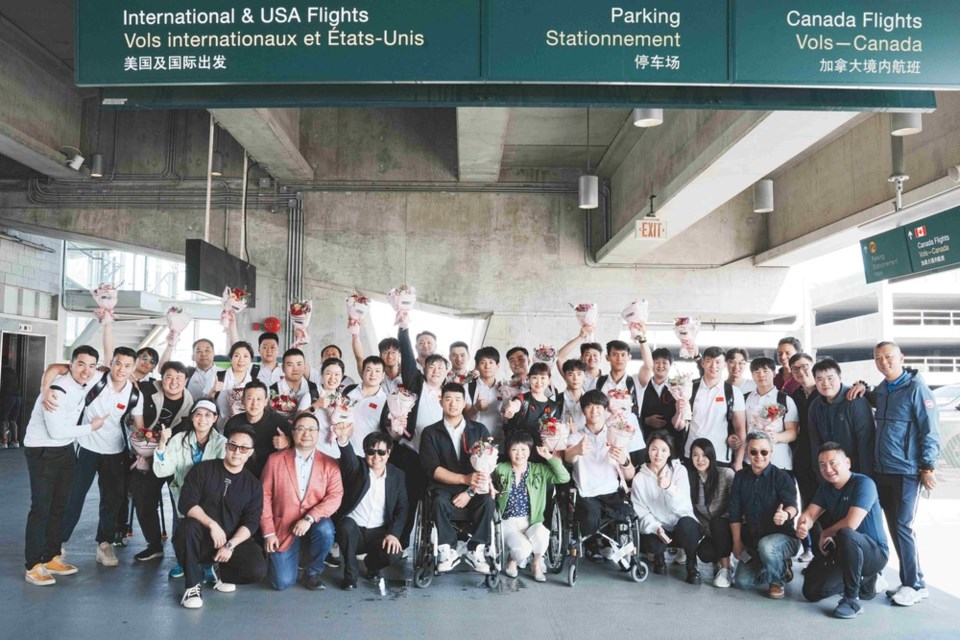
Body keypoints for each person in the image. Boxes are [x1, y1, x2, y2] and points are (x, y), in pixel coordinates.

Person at [55, 346, 145, 567]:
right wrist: (45, 386)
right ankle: (56, 544)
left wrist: (146, 448)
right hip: (86, 447)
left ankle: (104, 545)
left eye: (127, 365)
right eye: (117, 363)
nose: (121, 369)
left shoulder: (134, 394)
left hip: (115, 451)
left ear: (133, 368)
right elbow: (56, 368)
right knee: (74, 498)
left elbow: (139, 428)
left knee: (111, 501)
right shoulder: (95, 377)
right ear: (110, 363)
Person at [22, 345, 103, 586]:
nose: (86, 370)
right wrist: (92, 427)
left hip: (66, 449)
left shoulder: (86, 377)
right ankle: (34, 565)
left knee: (60, 506)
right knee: (42, 508)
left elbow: (54, 366)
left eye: (91, 366)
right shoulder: (57, 389)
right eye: (81, 364)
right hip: (43, 449)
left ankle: (50, 556)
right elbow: (56, 431)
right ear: (71, 364)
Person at [871, 341, 940, 607]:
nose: (884, 362)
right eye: (878, 358)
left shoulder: (917, 389)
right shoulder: (883, 389)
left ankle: (915, 584)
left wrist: (927, 466)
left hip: (907, 471)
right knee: (893, 527)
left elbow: (930, 430)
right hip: (883, 469)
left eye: (888, 357)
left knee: (903, 527)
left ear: (902, 358)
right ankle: (910, 579)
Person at [175, 424, 266, 608]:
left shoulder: (253, 485)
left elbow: (252, 521)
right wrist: (211, 525)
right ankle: (192, 586)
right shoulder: (203, 470)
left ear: (250, 452)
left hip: (231, 541)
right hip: (201, 536)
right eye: (232, 446)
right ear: (226, 447)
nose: (237, 452)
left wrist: (231, 545)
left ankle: (220, 572)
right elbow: (186, 503)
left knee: (257, 569)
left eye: (243, 448)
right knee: (187, 528)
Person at [797, 443, 889, 619]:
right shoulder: (826, 488)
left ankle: (852, 600)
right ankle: (865, 581)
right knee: (811, 592)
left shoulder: (864, 483)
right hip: (845, 552)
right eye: (822, 465)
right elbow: (810, 513)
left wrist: (825, 533)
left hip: (874, 553)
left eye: (833, 463)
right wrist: (803, 524)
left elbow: (851, 523)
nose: (828, 469)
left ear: (847, 462)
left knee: (846, 534)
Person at [419, 382, 496, 573]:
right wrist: (464, 480)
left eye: (457, 400)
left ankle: (476, 550)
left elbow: (486, 468)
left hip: (475, 488)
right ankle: (447, 550)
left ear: (464, 404)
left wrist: (470, 491)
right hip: (444, 488)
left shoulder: (479, 430)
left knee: (488, 502)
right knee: (438, 502)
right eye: (448, 399)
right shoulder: (430, 432)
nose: (452, 404)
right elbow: (433, 469)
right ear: (441, 402)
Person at [261, 412, 342, 591]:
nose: (307, 433)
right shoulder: (275, 460)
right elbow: (264, 496)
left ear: (318, 433)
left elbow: (335, 496)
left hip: (313, 524)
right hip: (283, 527)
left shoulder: (330, 464)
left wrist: (309, 518)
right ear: (293, 432)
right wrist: (268, 532)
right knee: (281, 583)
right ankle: (291, 555)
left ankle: (312, 572)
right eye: (301, 428)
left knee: (326, 530)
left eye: (312, 429)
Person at [154, 399, 227, 579]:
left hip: (210, 495)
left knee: (208, 528)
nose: (202, 419)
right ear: (192, 417)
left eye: (208, 415)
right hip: (183, 492)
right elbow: (163, 470)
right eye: (198, 414)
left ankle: (208, 565)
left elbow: (222, 472)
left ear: (215, 418)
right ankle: (182, 562)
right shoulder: (179, 439)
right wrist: (163, 443)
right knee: (180, 529)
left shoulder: (221, 442)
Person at [130, 361, 194, 563]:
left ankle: (182, 548)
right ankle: (154, 545)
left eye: (179, 378)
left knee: (182, 503)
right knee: (143, 499)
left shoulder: (190, 406)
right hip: (146, 452)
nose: (173, 382)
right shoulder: (149, 389)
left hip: (175, 458)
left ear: (185, 381)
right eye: (169, 376)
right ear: (161, 378)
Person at [563, 390, 636, 558]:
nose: (594, 411)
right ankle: (594, 545)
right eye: (589, 407)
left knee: (627, 516)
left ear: (605, 410)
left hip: (611, 492)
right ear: (583, 411)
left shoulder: (617, 435)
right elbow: (568, 457)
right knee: (589, 521)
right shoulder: (576, 437)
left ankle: (611, 546)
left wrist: (625, 461)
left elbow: (630, 475)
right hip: (587, 493)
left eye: (598, 407)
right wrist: (577, 450)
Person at [334, 426, 408, 589]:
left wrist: (393, 534)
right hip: (354, 530)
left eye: (381, 452)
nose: (376, 456)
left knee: (394, 552)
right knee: (345, 526)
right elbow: (348, 458)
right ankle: (350, 575)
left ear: (389, 453)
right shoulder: (357, 467)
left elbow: (402, 509)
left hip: (379, 532)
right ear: (365, 453)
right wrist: (343, 440)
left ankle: (372, 566)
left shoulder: (397, 475)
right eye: (371, 451)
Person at [729, 431, 801, 599]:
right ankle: (777, 567)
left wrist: (785, 515)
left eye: (764, 452)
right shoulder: (740, 477)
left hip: (784, 539)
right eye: (753, 451)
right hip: (755, 543)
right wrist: (737, 542)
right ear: (747, 452)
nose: (758, 456)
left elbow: (793, 506)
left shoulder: (782, 477)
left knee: (767, 546)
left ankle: (777, 581)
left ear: (771, 452)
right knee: (742, 582)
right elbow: (734, 513)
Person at [492, 431, 570, 582]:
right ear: (508, 451)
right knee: (523, 549)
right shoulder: (501, 468)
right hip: (508, 522)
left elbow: (564, 477)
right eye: (514, 449)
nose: (519, 454)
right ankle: (512, 560)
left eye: (523, 449)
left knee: (542, 535)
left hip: (531, 521)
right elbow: (486, 480)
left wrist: (549, 457)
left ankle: (536, 563)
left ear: (530, 451)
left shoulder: (539, 469)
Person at [631, 430, 702, 584]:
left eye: (664, 450)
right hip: (659, 529)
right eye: (654, 449)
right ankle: (659, 557)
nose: (658, 455)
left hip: (679, 525)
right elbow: (641, 512)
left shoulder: (679, 471)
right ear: (648, 450)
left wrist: (669, 487)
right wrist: (656, 527)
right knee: (652, 543)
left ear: (670, 452)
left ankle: (692, 563)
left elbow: (684, 507)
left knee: (687, 525)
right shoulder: (639, 478)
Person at [680, 347, 746, 470]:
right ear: (703, 363)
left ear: (725, 364)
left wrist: (738, 462)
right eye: (709, 361)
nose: (713, 365)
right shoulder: (689, 388)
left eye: (718, 362)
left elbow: (740, 430)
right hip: (692, 455)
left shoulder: (733, 392)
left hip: (719, 456)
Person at [808, 358, 875, 478]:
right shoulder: (815, 406)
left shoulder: (855, 401)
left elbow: (866, 444)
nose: (825, 383)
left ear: (840, 377)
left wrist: (865, 480)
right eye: (820, 379)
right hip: (829, 474)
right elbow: (815, 444)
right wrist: (821, 477)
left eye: (830, 378)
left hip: (856, 473)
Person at [688, 438, 736, 588]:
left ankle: (726, 569)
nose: (700, 459)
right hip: (708, 529)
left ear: (711, 455)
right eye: (695, 455)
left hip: (728, 527)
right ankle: (719, 561)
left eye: (704, 455)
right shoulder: (690, 478)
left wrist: (717, 524)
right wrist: (705, 527)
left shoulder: (726, 474)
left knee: (718, 524)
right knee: (705, 553)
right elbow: (692, 510)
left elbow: (735, 505)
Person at [788, 352, 821, 562]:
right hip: (803, 458)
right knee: (808, 504)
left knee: (828, 506)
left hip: (825, 459)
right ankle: (815, 553)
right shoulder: (795, 396)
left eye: (805, 366)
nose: (801, 372)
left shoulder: (825, 390)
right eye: (796, 369)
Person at [595, 338, 653, 455]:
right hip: (604, 437)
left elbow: (648, 366)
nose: (619, 358)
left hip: (631, 440)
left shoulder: (636, 381)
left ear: (629, 357)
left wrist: (642, 340)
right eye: (615, 354)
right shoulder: (598, 382)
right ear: (607, 357)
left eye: (623, 355)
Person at [223, 381, 292, 478]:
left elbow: (297, 445)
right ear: (242, 400)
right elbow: (225, 453)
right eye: (250, 398)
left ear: (265, 402)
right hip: (239, 475)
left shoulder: (279, 422)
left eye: (259, 399)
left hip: (270, 475)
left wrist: (287, 443)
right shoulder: (233, 423)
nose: (254, 403)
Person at [744, 357, 798, 471]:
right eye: (756, 372)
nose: (761, 375)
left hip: (778, 461)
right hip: (750, 460)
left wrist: (777, 437)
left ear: (774, 373)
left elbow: (793, 432)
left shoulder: (784, 400)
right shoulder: (745, 398)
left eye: (765, 371)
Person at [502, 362, 560, 452]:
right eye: (534, 377)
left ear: (549, 380)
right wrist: (512, 409)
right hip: (519, 453)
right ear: (528, 379)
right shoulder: (523, 398)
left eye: (543, 378)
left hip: (542, 454)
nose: (538, 382)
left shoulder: (553, 407)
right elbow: (516, 403)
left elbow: (555, 432)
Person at [308, 357, 349, 459]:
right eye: (328, 373)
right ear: (321, 375)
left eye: (336, 374)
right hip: (313, 452)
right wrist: (316, 405)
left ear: (342, 376)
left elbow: (350, 429)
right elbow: (298, 418)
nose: (332, 378)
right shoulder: (312, 395)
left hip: (337, 454)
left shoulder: (345, 400)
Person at [212, 341, 258, 428]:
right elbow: (206, 403)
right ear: (231, 358)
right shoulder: (218, 376)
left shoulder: (254, 381)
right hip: (221, 430)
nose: (241, 360)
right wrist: (213, 391)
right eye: (237, 355)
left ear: (251, 359)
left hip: (247, 431)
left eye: (245, 356)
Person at [464, 346, 504, 443]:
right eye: (483, 362)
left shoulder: (504, 389)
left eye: (491, 362)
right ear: (477, 366)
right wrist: (476, 407)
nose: (487, 366)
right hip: (474, 440)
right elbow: (465, 416)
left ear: (498, 366)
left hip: (497, 441)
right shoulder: (468, 387)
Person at [268, 348, 319, 422]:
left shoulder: (315, 389)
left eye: (299, 364)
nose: (295, 369)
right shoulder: (272, 390)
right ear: (283, 368)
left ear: (304, 367)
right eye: (290, 365)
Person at [160, 338, 218, 403]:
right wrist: (170, 345)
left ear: (214, 353)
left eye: (207, 350)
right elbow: (163, 369)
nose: (203, 354)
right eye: (198, 351)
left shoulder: (225, 373)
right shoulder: (187, 373)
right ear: (193, 356)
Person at [639, 347, 678, 443]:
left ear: (670, 365)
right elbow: (633, 412)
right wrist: (646, 420)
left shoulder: (678, 387)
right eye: (656, 362)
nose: (660, 366)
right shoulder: (642, 386)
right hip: (646, 439)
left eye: (664, 362)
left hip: (672, 440)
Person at [556, 324, 604, 391]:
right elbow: (560, 357)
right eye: (588, 355)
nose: (592, 358)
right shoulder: (575, 376)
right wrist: (580, 336)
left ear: (601, 358)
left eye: (595, 355)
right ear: (581, 357)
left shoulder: (607, 380)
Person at [555, 359, 587, 431]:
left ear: (585, 376)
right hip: (562, 440)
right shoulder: (557, 400)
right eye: (571, 374)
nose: (575, 378)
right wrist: (565, 430)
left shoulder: (591, 400)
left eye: (579, 374)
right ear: (565, 376)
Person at [1, 357, 22, 448]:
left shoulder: (2, 372)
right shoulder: (13, 371)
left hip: (8, 397)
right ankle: (15, 442)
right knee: (13, 420)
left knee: (2, 419)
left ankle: (3, 442)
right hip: (18, 397)